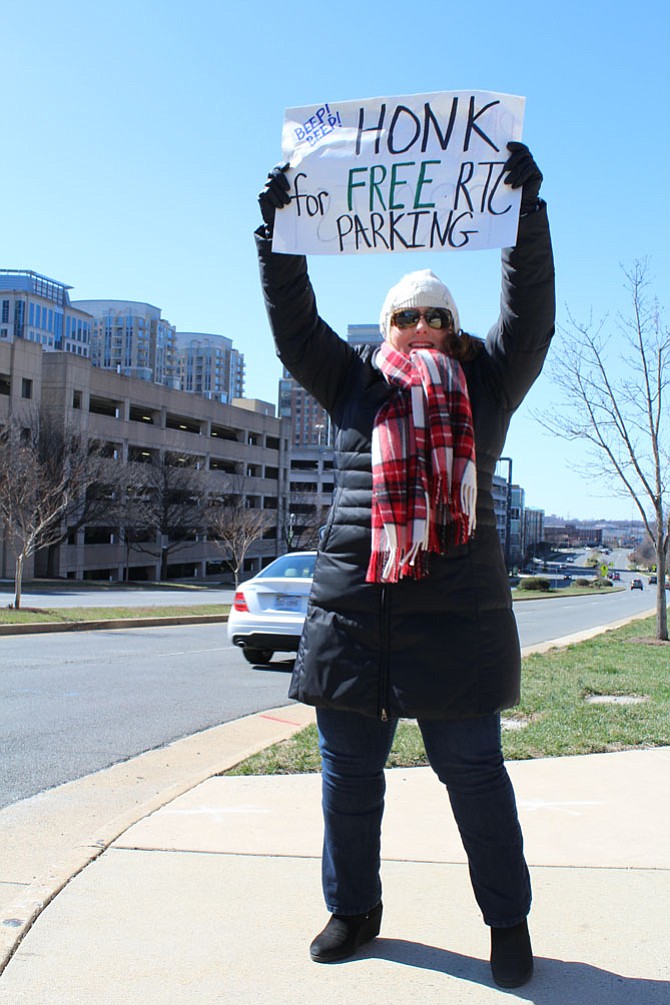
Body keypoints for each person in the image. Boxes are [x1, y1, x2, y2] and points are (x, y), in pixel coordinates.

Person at [255, 141, 555, 990]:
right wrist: (280, 237)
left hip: (455, 631)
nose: (422, 327)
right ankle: (354, 909)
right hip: (357, 625)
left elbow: (531, 316)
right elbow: (294, 327)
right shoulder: (353, 386)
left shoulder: (486, 387)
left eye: (438, 316)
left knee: (477, 783)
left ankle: (507, 921)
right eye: (406, 316)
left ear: (455, 330)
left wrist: (524, 219)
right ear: (386, 328)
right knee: (348, 784)